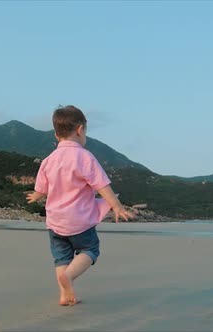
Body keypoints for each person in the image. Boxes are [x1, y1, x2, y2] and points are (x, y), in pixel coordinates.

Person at [26, 105, 135, 306]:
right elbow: (102, 185)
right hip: (79, 221)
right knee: (90, 249)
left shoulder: (48, 160)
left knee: (62, 257)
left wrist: (36, 196)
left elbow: (41, 188)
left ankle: (64, 295)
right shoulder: (84, 157)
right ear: (80, 130)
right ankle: (69, 278)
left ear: (56, 135)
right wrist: (117, 206)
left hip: (55, 222)